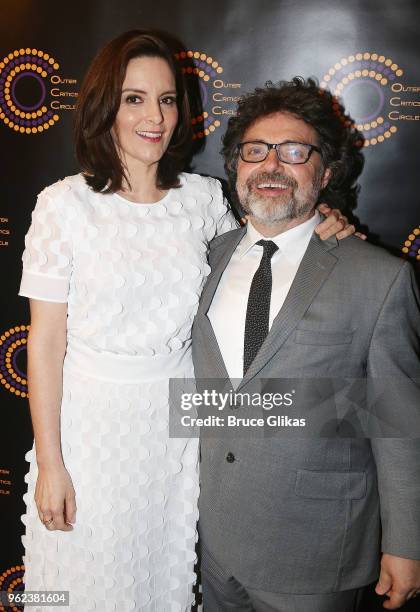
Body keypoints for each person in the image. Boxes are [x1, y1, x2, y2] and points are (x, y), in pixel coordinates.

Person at [18, 32, 353, 612]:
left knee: (158, 582)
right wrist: (51, 463)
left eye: (168, 99)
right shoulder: (63, 206)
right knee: (73, 587)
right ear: (105, 107)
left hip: (176, 436)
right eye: (134, 99)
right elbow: (45, 345)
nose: (155, 116)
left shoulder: (203, 200)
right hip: (89, 434)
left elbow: (269, 247)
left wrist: (324, 220)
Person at [192, 77, 420, 612]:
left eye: (294, 152)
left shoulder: (379, 279)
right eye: (255, 151)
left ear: (325, 171)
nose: (271, 165)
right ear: (236, 167)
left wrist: (406, 543)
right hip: (213, 545)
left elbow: (399, 426)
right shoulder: (202, 257)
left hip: (317, 550)